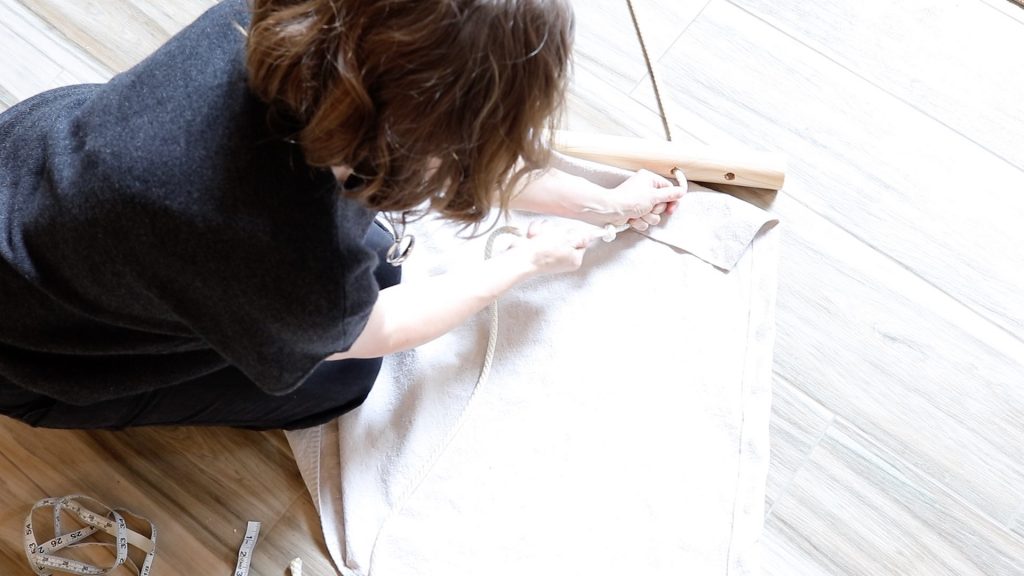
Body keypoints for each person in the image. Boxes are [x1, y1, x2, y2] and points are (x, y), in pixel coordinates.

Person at [0, 0, 683, 430]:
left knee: (375, 262)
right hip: (36, 350)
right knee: (345, 381)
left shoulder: (260, 20)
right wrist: (525, 261)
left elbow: (459, 153)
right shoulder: (295, 265)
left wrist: (606, 202)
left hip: (33, 165)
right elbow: (378, 331)